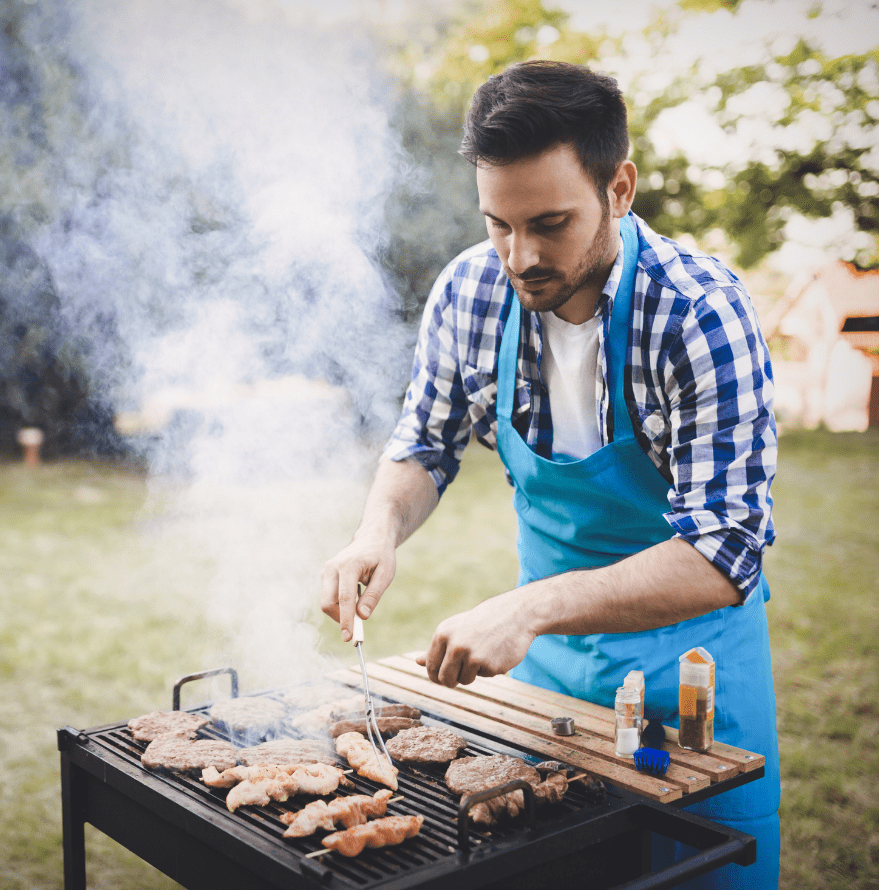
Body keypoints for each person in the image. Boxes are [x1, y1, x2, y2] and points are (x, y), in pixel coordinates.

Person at [321, 60, 780, 888]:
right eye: (498, 222)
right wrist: (376, 531)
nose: (520, 255)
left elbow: (724, 550)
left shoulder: (700, 314)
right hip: (549, 684)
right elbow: (425, 442)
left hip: (696, 686)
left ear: (620, 188)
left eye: (550, 223)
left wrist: (529, 607)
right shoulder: (470, 289)